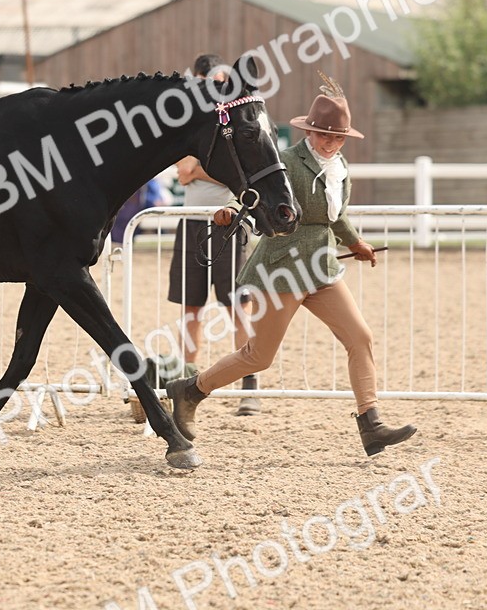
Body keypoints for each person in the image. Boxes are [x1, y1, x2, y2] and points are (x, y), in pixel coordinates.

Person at [166, 73, 417, 456]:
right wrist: (230, 212)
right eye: (324, 136)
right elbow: (254, 194)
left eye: (337, 138)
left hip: (320, 268)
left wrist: (356, 243)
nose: (330, 143)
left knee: (360, 337)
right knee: (258, 357)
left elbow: (335, 217)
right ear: (309, 132)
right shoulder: (286, 162)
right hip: (281, 269)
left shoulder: (340, 168)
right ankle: (190, 389)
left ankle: (371, 423)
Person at [167, 54, 260, 415]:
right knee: (191, 307)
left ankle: (249, 384)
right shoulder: (194, 123)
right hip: (192, 221)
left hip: (228, 220)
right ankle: (187, 378)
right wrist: (206, 169)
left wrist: (202, 169)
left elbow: (230, 171)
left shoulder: (232, 119)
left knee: (238, 305)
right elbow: (182, 168)